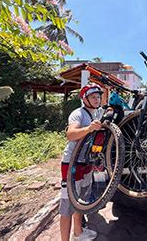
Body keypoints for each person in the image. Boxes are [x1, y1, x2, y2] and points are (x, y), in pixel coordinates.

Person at [60, 83, 104, 241]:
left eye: (98, 96)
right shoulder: (78, 114)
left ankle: (78, 233)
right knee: (67, 205)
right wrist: (88, 129)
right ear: (85, 98)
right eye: (93, 97)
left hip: (87, 163)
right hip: (72, 163)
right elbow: (70, 134)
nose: (97, 99)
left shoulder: (98, 113)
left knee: (81, 201)